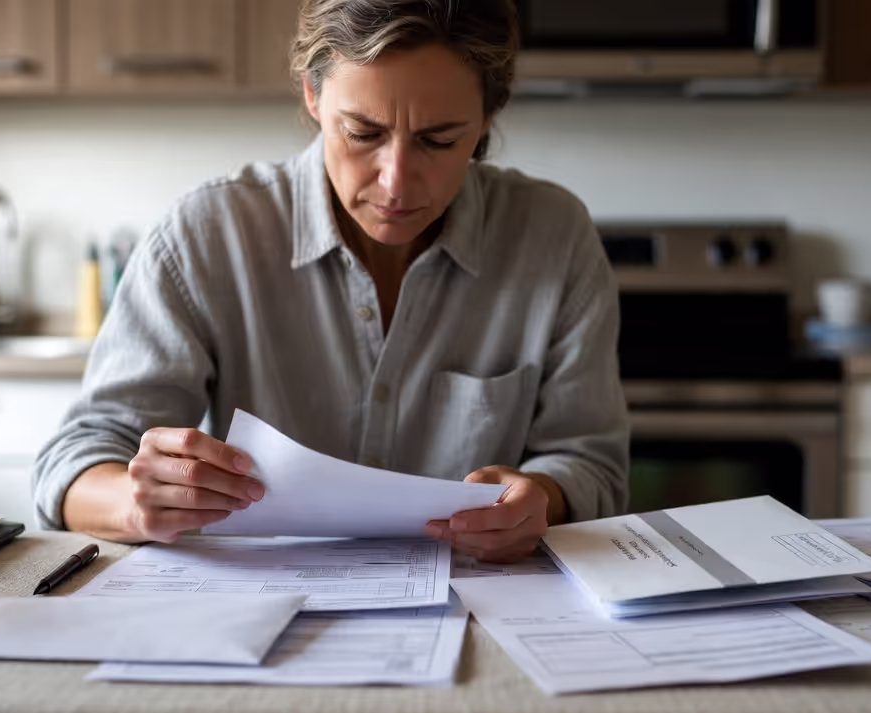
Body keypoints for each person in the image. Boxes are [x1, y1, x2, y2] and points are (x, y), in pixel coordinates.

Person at [32, 0, 629, 563]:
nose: (396, 183)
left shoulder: (554, 237)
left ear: (487, 118)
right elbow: (76, 461)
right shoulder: (206, 235)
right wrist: (134, 504)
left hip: (483, 616)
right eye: (363, 133)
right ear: (313, 95)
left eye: (438, 140)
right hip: (254, 610)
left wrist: (541, 500)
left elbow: (592, 466)